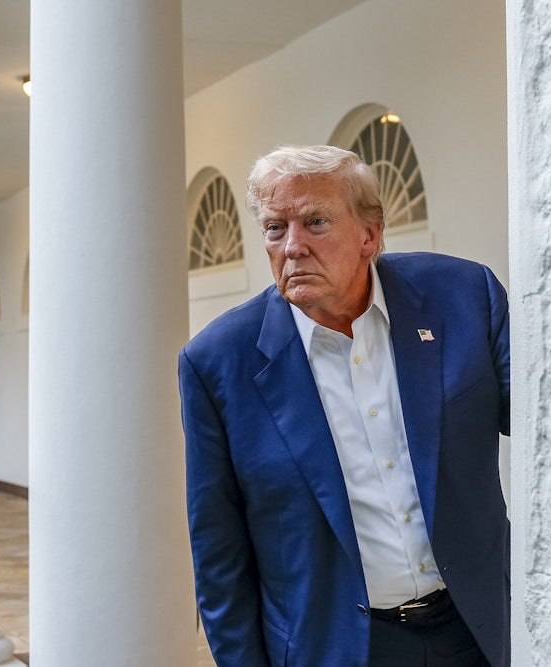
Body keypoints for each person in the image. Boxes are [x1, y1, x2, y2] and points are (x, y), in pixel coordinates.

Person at [178, 145, 510, 667]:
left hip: (479, 629)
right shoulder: (218, 362)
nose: (292, 247)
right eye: (274, 228)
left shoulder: (463, 296)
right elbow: (219, 555)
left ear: (370, 235)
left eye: (315, 222)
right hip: (335, 648)